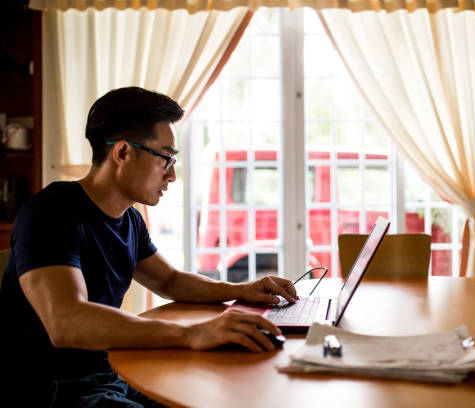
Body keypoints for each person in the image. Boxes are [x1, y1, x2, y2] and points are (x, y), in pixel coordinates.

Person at [0, 87, 297, 407]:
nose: (171, 174)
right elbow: (66, 322)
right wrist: (193, 334)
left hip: (110, 373)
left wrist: (241, 289)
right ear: (123, 153)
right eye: (166, 158)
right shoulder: (51, 213)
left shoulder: (129, 219)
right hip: (53, 388)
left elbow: (168, 280)